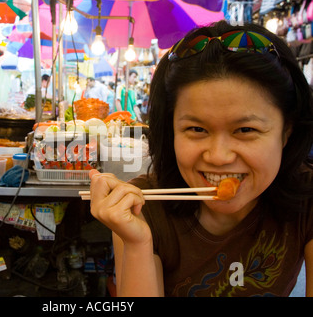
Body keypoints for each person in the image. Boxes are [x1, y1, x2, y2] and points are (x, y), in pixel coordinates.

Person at [89, 20, 313, 297]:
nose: (218, 157)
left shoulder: (307, 198)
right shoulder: (142, 206)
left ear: (286, 132)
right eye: (197, 129)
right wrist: (137, 244)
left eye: (245, 130)